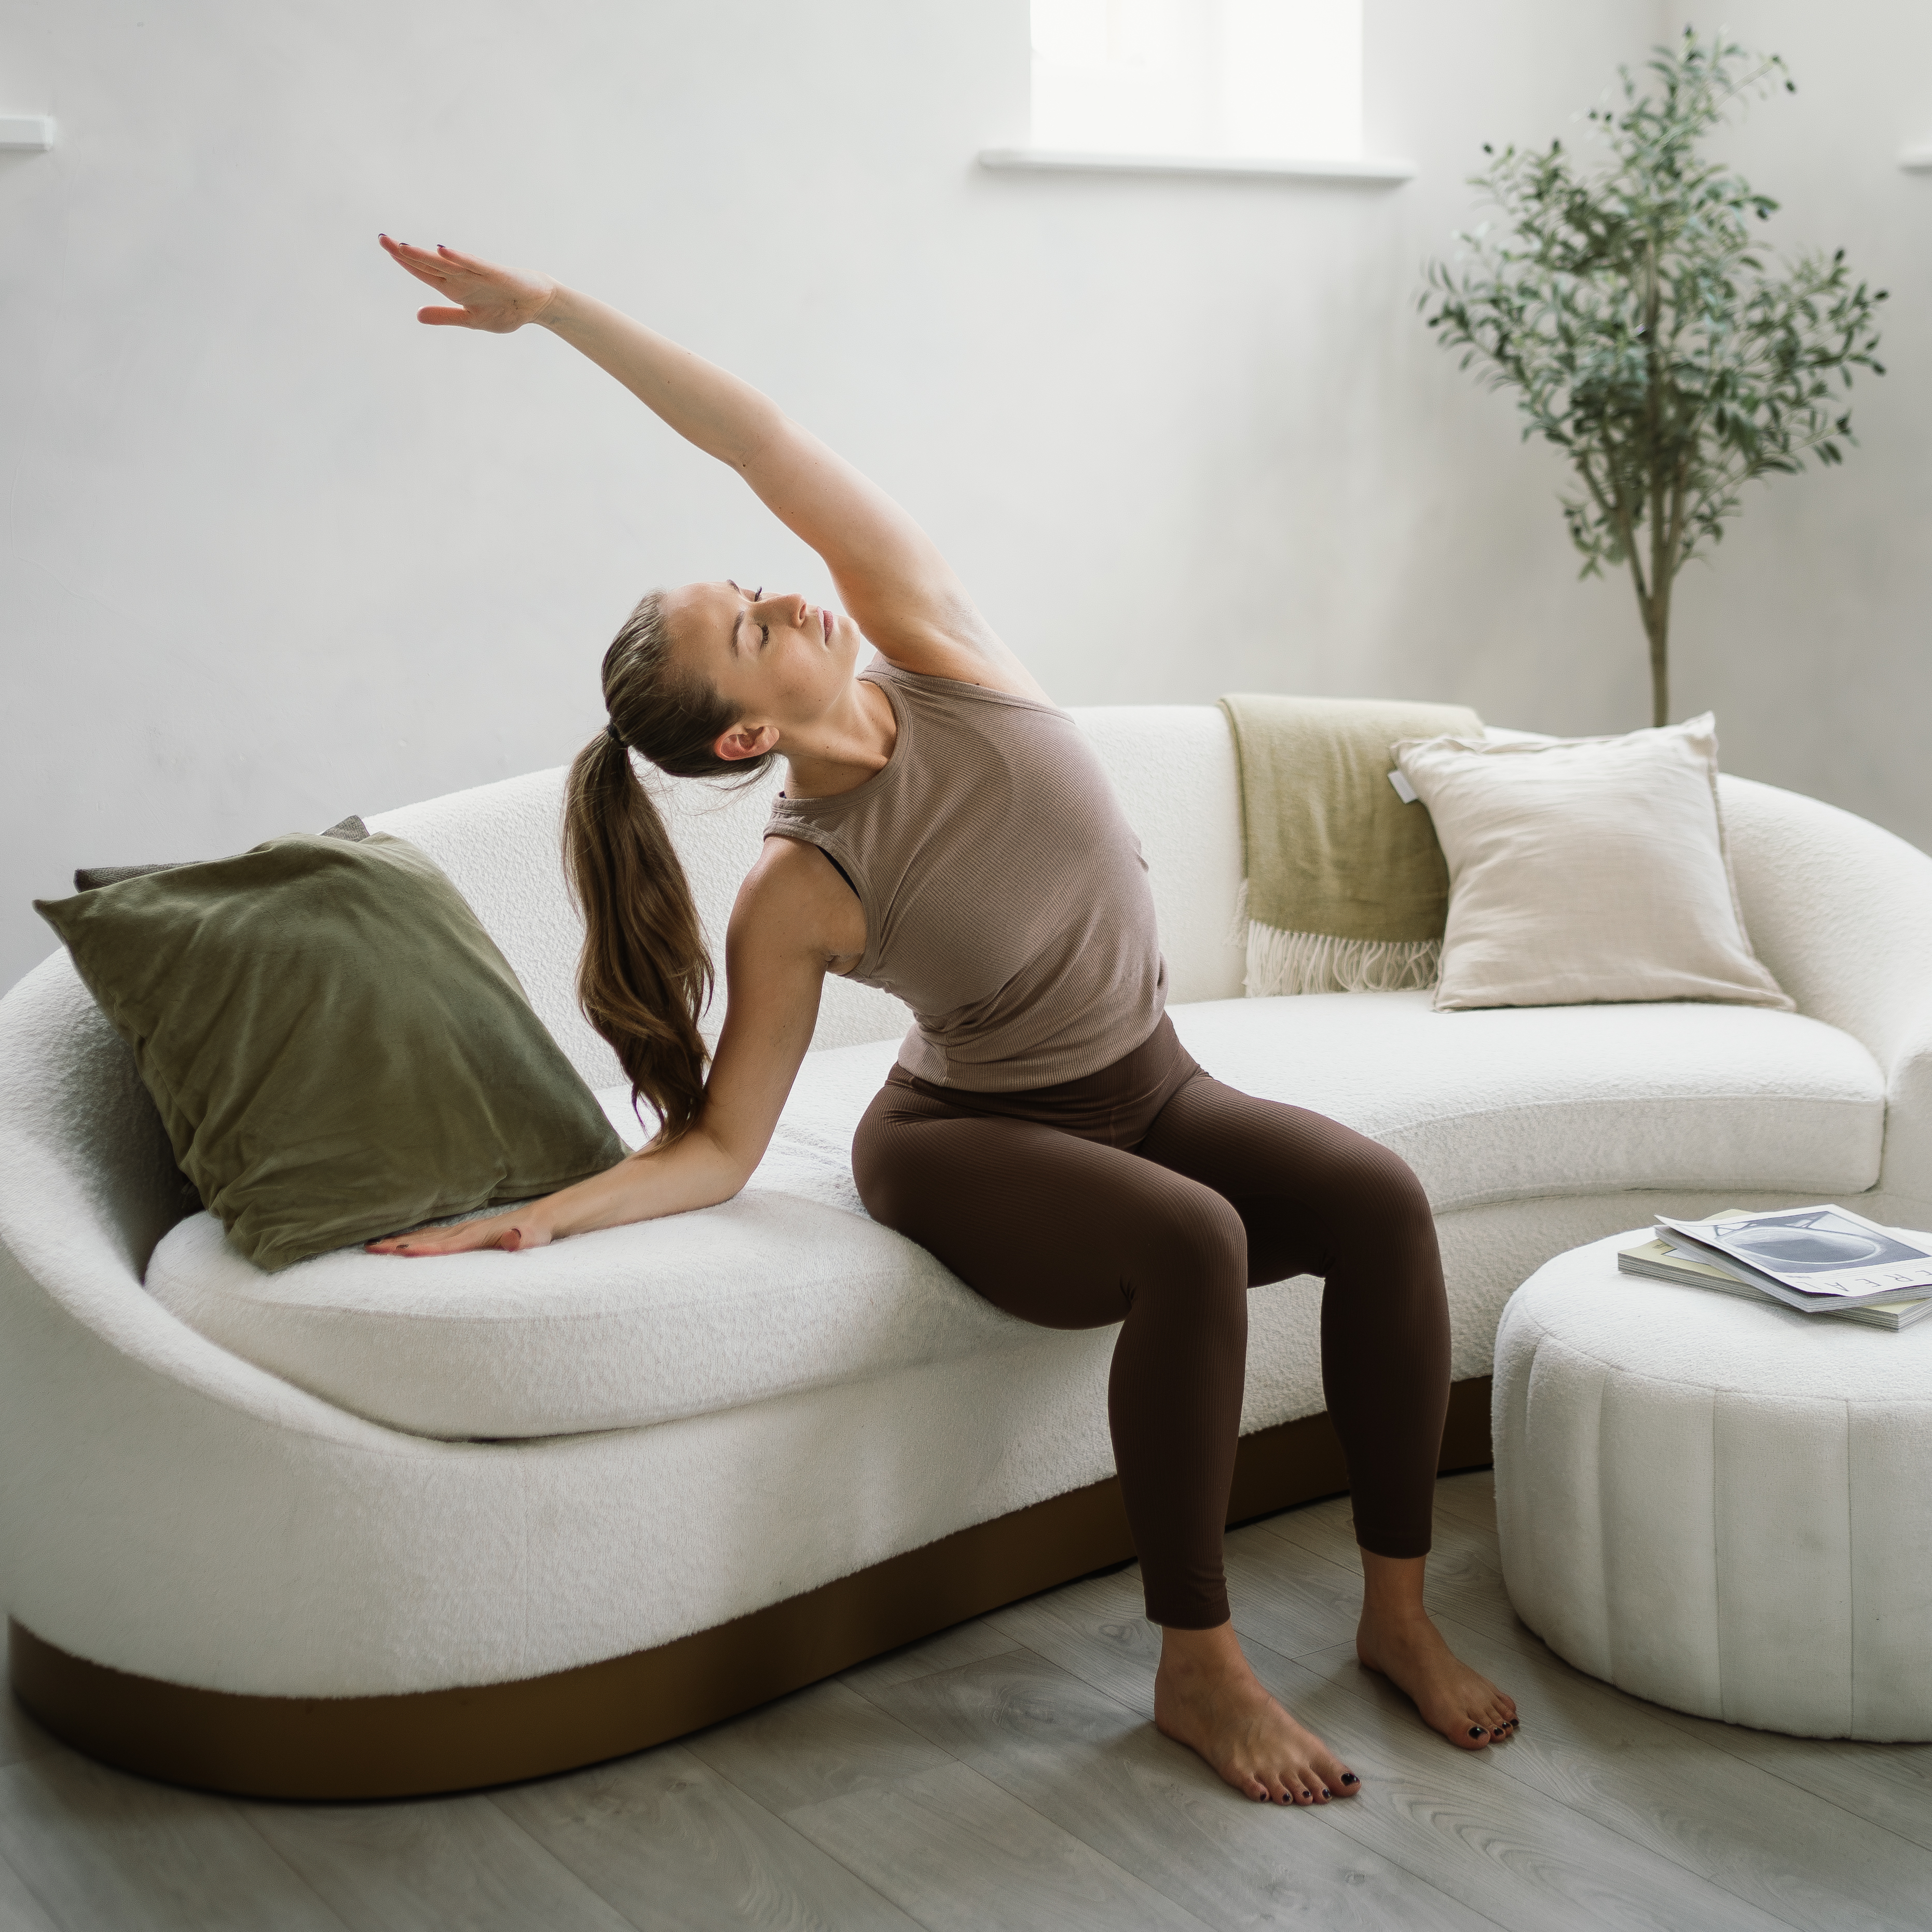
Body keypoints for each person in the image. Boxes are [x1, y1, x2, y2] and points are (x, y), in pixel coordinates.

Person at [369, 236, 1518, 1804]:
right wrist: (541, 1218)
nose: (781, 593)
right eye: (753, 622)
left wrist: (562, 314)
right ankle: (1198, 1663)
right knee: (1188, 1239)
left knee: (1378, 1198)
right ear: (750, 726)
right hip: (970, 1141)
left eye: (752, 584)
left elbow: (757, 437)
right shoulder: (801, 887)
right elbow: (720, 1145)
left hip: (1152, 1080)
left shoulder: (927, 637)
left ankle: (1396, 1615)